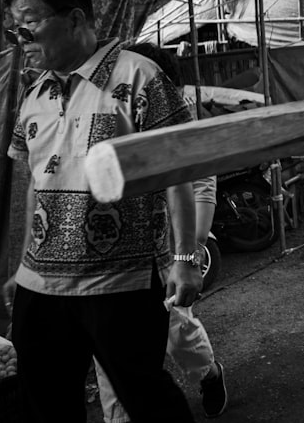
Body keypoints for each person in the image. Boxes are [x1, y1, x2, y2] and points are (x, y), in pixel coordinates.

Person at [3, 0, 200, 422]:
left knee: (146, 398)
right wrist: (21, 265)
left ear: (74, 20)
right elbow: (36, 183)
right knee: (45, 402)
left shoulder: (138, 75)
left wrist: (185, 259)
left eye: (29, 25)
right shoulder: (33, 92)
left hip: (119, 284)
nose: (21, 40)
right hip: (40, 288)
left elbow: (178, 170)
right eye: (14, 30)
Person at [91, 42, 228, 421]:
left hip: (165, 253)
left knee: (176, 329)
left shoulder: (178, 119)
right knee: (111, 354)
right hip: (114, 259)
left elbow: (200, 184)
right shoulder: (110, 115)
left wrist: (190, 250)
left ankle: (208, 373)